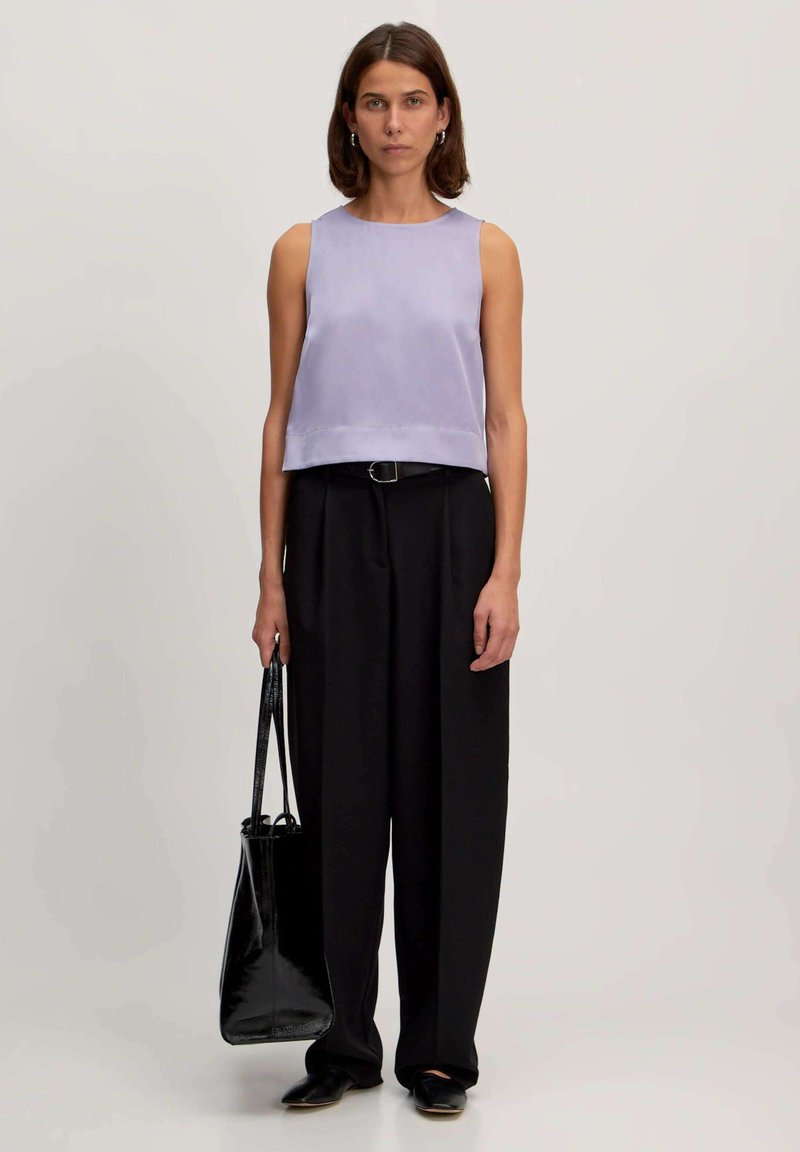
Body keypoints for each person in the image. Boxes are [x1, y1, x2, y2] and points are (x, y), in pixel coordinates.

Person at [252, 21, 526, 1115]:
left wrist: (505, 572)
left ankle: (440, 1047)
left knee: (454, 787)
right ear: (349, 118)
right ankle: (341, 1042)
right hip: (328, 521)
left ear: (443, 115)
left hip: (452, 523)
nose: (395, 122)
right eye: (375, 101)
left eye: (414, 100)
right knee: (341, 783)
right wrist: (270, 577)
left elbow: (504, 419)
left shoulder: (486, 250)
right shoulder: (303, 250)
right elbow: (280, 417)